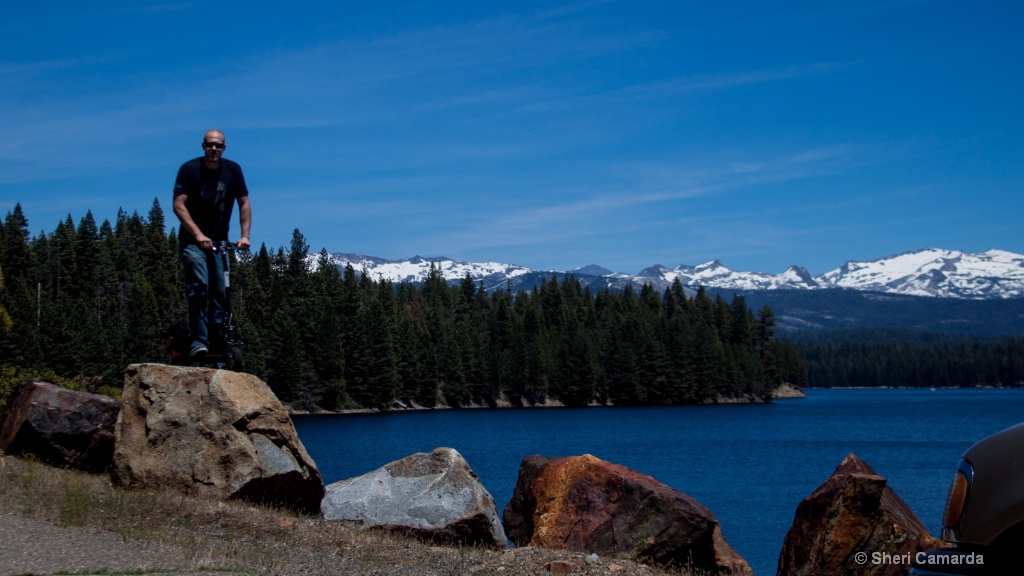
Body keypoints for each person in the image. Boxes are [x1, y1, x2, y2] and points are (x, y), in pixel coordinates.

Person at [172, 129, 251, 357]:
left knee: (220, 292)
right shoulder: (189, 170)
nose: (213, 149)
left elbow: (244, 203)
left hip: (219, 242)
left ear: (224, 148)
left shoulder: (233, 170)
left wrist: (245, 235)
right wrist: (197, 234)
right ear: (203, 146)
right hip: (192, 241)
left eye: (218, 146)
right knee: (200, 287)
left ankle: (218, 342)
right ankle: (199, 342)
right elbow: (179, 205)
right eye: (210, 145)